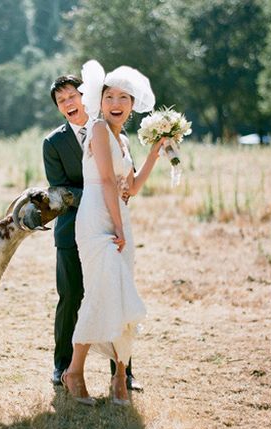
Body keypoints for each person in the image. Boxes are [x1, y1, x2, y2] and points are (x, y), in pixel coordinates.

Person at [60, 60, 165, 406]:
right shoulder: (100, 130)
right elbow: (105, 180)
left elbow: (130, 188)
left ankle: (120, 376)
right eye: (110, 97)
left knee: (121, 294)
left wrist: (153, 153)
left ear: (133, 106)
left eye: (124, 98)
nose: (116, 103)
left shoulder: (123, 142)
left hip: (121, 219)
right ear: (99, 101)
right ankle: (73, 371)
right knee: (98, 294)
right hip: (96, 220)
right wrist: (117, 226)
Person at [42, 74, 143, 393]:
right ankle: (63, 367)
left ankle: (123, 373)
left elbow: (127, 176)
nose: (69, 103)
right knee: (70, 298)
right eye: (62, 101)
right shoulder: (53, 143)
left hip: (113, 229)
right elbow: (60, 189)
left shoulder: (112, 129)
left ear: (85, 97)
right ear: (60, 109)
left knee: (117, 295)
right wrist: (105, 194)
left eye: (73, 96)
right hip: (74, 230)